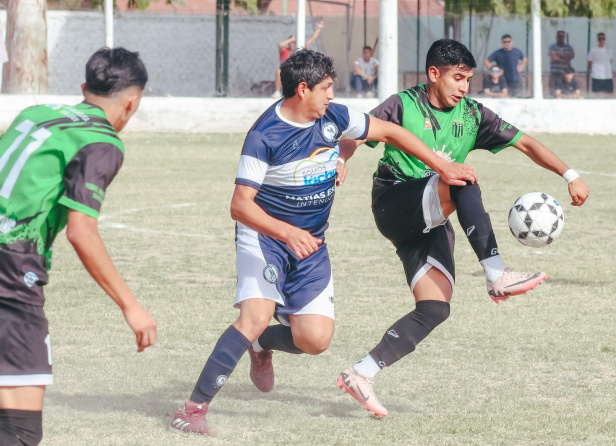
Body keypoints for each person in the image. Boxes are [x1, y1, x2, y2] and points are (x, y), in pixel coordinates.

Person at [168, 49, 476, 436]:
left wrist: (442, 165)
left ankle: (261, 343)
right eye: (327, 88)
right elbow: (240, 206)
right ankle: (192, 409)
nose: (333, 95)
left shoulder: (335, 117)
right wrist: (287, 232)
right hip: (265, 237)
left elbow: (392, 132)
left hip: (311, 244)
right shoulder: (265, 135)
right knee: (255, 314)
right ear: (302, 89)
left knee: (314, 340)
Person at [334, 39, 589, 417]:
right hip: (394, 204)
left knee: (435, 308)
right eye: (457, 78)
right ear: (434, 74)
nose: (464, 87)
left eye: (468, 79)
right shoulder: (402, 105)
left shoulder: (472, 115)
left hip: (429, 220)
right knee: (462, 179)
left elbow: (526, 143)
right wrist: (341, 159)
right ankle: (496, 272)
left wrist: (570, 174)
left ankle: (360, 373)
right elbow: (358, 133)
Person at [0, 47, 157, 446]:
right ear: (132, 101)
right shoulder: (101, 141)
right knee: (17, 428)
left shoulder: (33, 115)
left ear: (84, 88)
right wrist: (131, 306)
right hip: (11, 269)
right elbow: (81, 231)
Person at [272, 20, 324, 99]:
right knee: (278, 71)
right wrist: (291, 39)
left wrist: (318, 28)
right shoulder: (284, 50)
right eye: (292, 42)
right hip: (285, 71)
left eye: (295, 42)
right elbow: (280, 44)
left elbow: (312, 38)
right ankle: (277, 91)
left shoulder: (299, 50)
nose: (293, 44)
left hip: (297, 71)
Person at [548, 30, 575, 97]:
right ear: (556, 37)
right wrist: (564, 57)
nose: (561, 38)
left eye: (562, 36)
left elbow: (571, 56)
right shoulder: (552, 47)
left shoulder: (569, 47)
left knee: (565, 92)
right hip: (555, 72)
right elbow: (554, 57)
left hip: (565, 73)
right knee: (554, 92)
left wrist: (559, 55)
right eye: (559, 36)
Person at [587, 32, 614, 98]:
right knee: (597, 96)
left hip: (608, 77)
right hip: (597, 77)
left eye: (603, 38)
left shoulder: (609, 50)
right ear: (597, 40)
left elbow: (610, 61)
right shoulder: (593, 50)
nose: (602, 40)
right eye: (600, 39)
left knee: (609, 96)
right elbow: (589, 62)